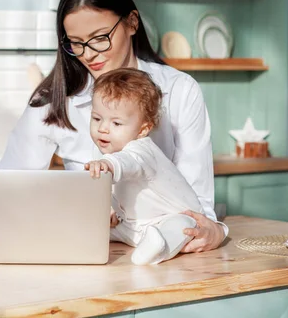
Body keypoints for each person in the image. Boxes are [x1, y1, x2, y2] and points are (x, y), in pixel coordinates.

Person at [0, 0, 227, 252]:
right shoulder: (53, 99)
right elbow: (7, 187)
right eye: (76, 43)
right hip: (86, 250)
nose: (89, 54)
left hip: (166, 254)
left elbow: (199, 207)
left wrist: (212, 231)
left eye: (100, 37)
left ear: (132, 22)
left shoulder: (179, 90)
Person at [84, 68, 205, 265]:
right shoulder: (104, 151)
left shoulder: (143, 150)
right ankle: (89, 240)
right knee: (97, 227)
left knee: (181, 227)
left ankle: (158, 248)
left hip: (174, 217)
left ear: (143, 129)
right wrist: (109, 209)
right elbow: (115, 190)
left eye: (116, 123)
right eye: (96, 118)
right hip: (134, 225)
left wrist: (107, 165)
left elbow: (127, 163)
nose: (102, 128)